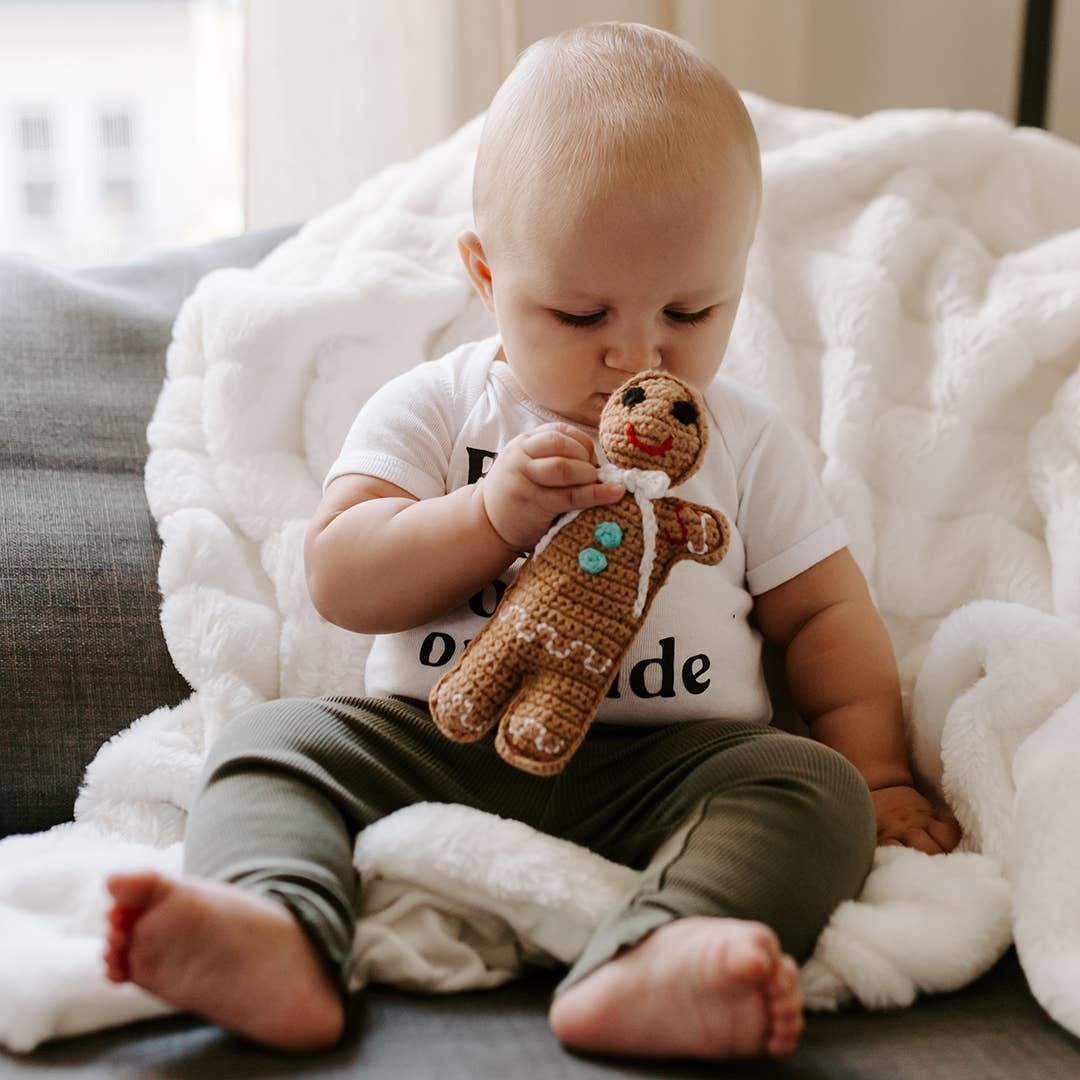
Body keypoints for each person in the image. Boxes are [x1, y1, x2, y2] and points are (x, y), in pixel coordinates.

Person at [102, 21, 962, 1061]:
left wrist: (874, 772)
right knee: (270, 746)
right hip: (436, 740)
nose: (636, 353)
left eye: (691, 310)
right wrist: (486, 516)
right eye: (578, 309)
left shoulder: (741, 442)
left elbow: (822, 610)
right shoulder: (434, 409)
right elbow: (340, 571)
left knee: (807, 789)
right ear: (485, 274)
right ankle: (279, 928)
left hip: (673, 762)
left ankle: (662, 956)